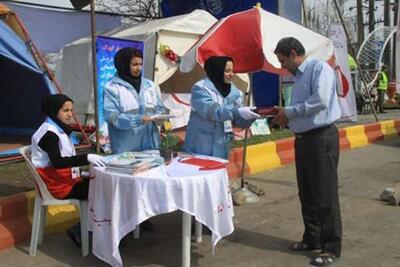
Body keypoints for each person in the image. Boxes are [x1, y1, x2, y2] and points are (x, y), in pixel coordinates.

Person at [272, 37, 342, 266]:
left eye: (283, 60)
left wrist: (290, 112)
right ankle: (312, 238)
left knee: (325, 194)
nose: (282, 66)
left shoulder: (318, 68)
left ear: (293, 53)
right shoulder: (298, 77)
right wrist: (284, 115)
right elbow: (301, 110)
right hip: (303, 140)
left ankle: (331, 247)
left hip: (321, 138)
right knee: (307, 193)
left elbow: (320, 100)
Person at [31, 94, 107, 246]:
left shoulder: (57, 128)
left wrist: (81, 172)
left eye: (71, 110)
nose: (70, 114)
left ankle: (92, 229)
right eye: (65, 110)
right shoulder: (49, 134)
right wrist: (86, 158)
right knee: (100, 189)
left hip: (62, 178)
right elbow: (58, 163)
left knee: (101, 184)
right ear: (54, 110)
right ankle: (84, 230)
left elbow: (64, 160)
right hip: (56, 185)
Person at [183, 56, 260, 159]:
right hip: (199, 148)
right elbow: (213, 111)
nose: (232, 75)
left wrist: (251, 115)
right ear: (217, 70)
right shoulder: (200, 88)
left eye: (232, 71)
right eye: (227, 71)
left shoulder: (235, 92)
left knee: (218, 173)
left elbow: (240, 121)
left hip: (221, 148)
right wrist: (237, 111)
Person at [104, 47, 165, 154]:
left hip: (150, 145)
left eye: (141, 64)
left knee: (152, 170)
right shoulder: (112, 88)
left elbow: (159, 108)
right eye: (134, 65)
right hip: (126, 148)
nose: (139, 68)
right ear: (123, 65)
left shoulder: (150, 85)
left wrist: (161, 117)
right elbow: (112, 117)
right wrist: (137, 120)